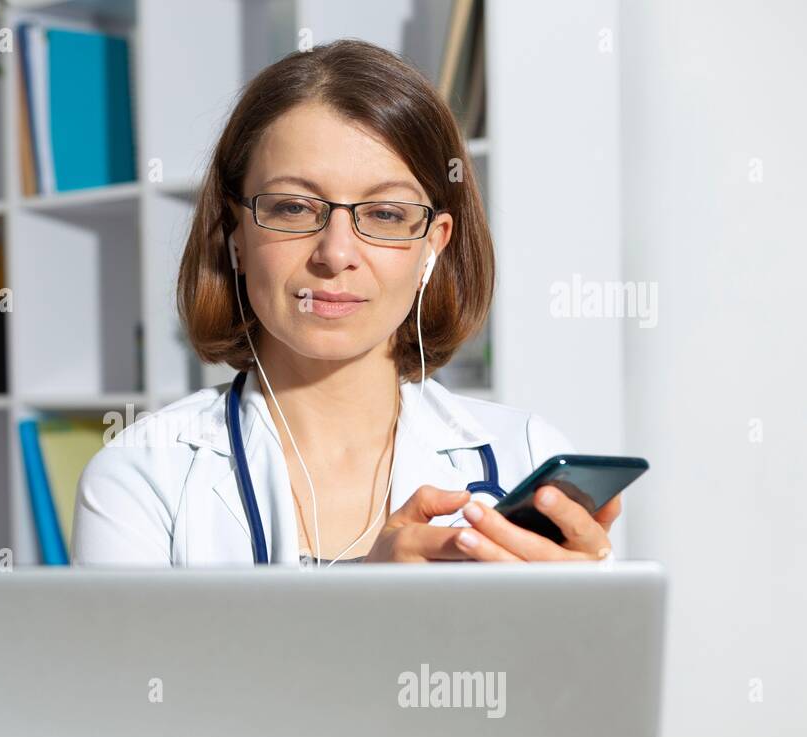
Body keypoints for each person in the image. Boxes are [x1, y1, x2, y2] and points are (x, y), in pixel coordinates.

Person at [72, 39, 620, 567]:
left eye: (384, 214)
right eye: (292, 207)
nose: (335, 255)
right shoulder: (143, 472)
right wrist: (377, 602)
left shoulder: (524, 454)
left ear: (432, 245)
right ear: (235, 236)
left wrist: (583, 620)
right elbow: (144, 668)